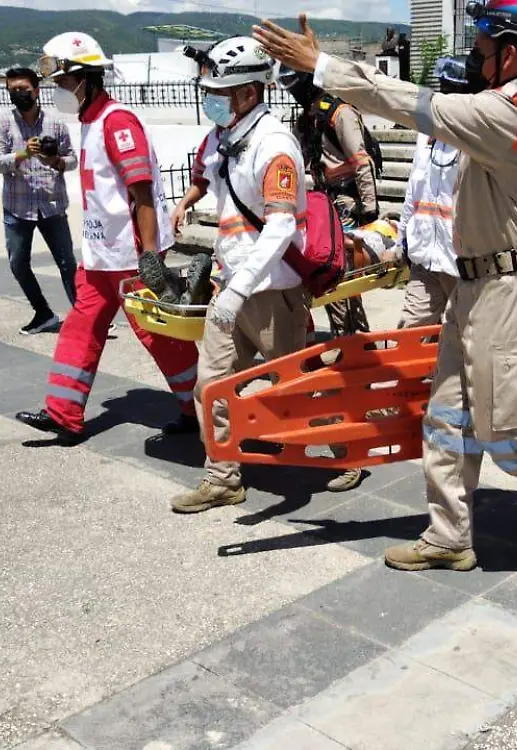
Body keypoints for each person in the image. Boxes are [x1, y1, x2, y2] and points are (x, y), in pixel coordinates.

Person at [254, 0, 517, 573]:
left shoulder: (511, 112)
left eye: (482, 47)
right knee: (447, 418)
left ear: (512, 51)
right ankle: (450, 536)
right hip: (476, 284)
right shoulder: (512, 104)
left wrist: (323, 65)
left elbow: (407, 103)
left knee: (509, 429)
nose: (476, 58)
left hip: (513, 289)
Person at [168, 36, 364, 515]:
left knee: (298, 392)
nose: (211, 99)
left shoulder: (275, 146)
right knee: (211, 386)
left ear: (249, 93)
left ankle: (347, 452)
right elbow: (213, 189)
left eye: (220, 91)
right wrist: (189, 206)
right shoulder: (223, 139)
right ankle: (222, 478)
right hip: (230, 289)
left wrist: (239, 287)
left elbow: (279, 226)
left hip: (274, 294)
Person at [15, 32, 200, 444]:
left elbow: (142, 192)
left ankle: (202, 408)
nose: (58, 91)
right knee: (81, 327)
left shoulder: (117, 122)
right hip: (102, 254)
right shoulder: (91, 121)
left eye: (62, 82)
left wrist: (150, 257)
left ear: (85, 79)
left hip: (132, 255)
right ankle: (63, 413)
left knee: (157, 334)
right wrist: (54, 160)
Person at [278, 64, 379, 339]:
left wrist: (369, 207)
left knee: (336, 273)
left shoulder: (339, 114)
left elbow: (360, 159)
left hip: (346, 201)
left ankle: (349, 340)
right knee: (339, 276)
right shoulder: (309, 117)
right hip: (325, 201)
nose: (293, 92)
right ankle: (355, 340)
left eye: (295, 85)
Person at [0, 66, 80, 335]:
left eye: (24, 90)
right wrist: (23, 154)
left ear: (36, 91)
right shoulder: (2, 124)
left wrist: (54, 161)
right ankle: (43, 313)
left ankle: (83, 317)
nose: (19, 95)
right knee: (18, 263)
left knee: (67, 263)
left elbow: (73, 159)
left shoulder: (55, 122)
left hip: (51, 204)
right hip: (17, 208)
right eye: (13, 90)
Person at [393, 56, 464, 329]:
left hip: (459, 260)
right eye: (442, 89)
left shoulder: (474, 137)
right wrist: (402, 238)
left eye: (451, 90)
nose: (444, 96)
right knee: (410, 331)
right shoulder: (427, 134)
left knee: (460, 337)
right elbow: (414, 189)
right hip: (425, 256)